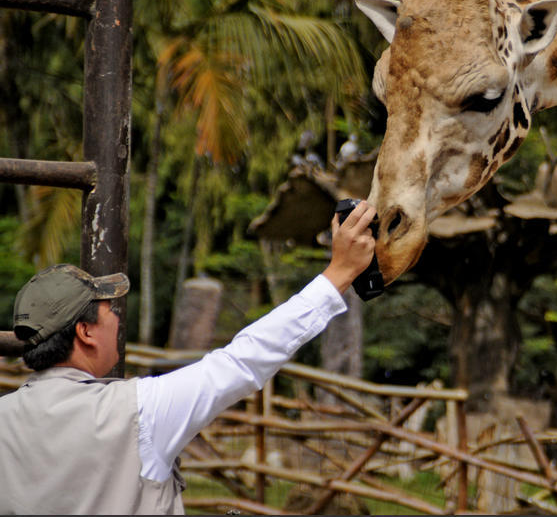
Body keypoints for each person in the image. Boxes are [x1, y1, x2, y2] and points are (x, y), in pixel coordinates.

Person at [0, 201, 377, 515]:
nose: (116, 317)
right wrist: (339, 273)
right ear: (84, 332)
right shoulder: (138, 411)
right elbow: (243, 361)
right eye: (106, 310)